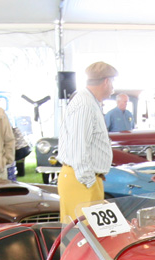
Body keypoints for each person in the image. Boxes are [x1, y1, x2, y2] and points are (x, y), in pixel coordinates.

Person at [56, 62, 117, 221]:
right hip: (81, 180)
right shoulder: (84, 104)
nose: (113, 88)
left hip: (86, 179)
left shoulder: (89, 102)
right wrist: (89, 182)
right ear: (106, 82)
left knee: (89, 238)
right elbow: (78, 149)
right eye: (112, 82)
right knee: (81, 237)